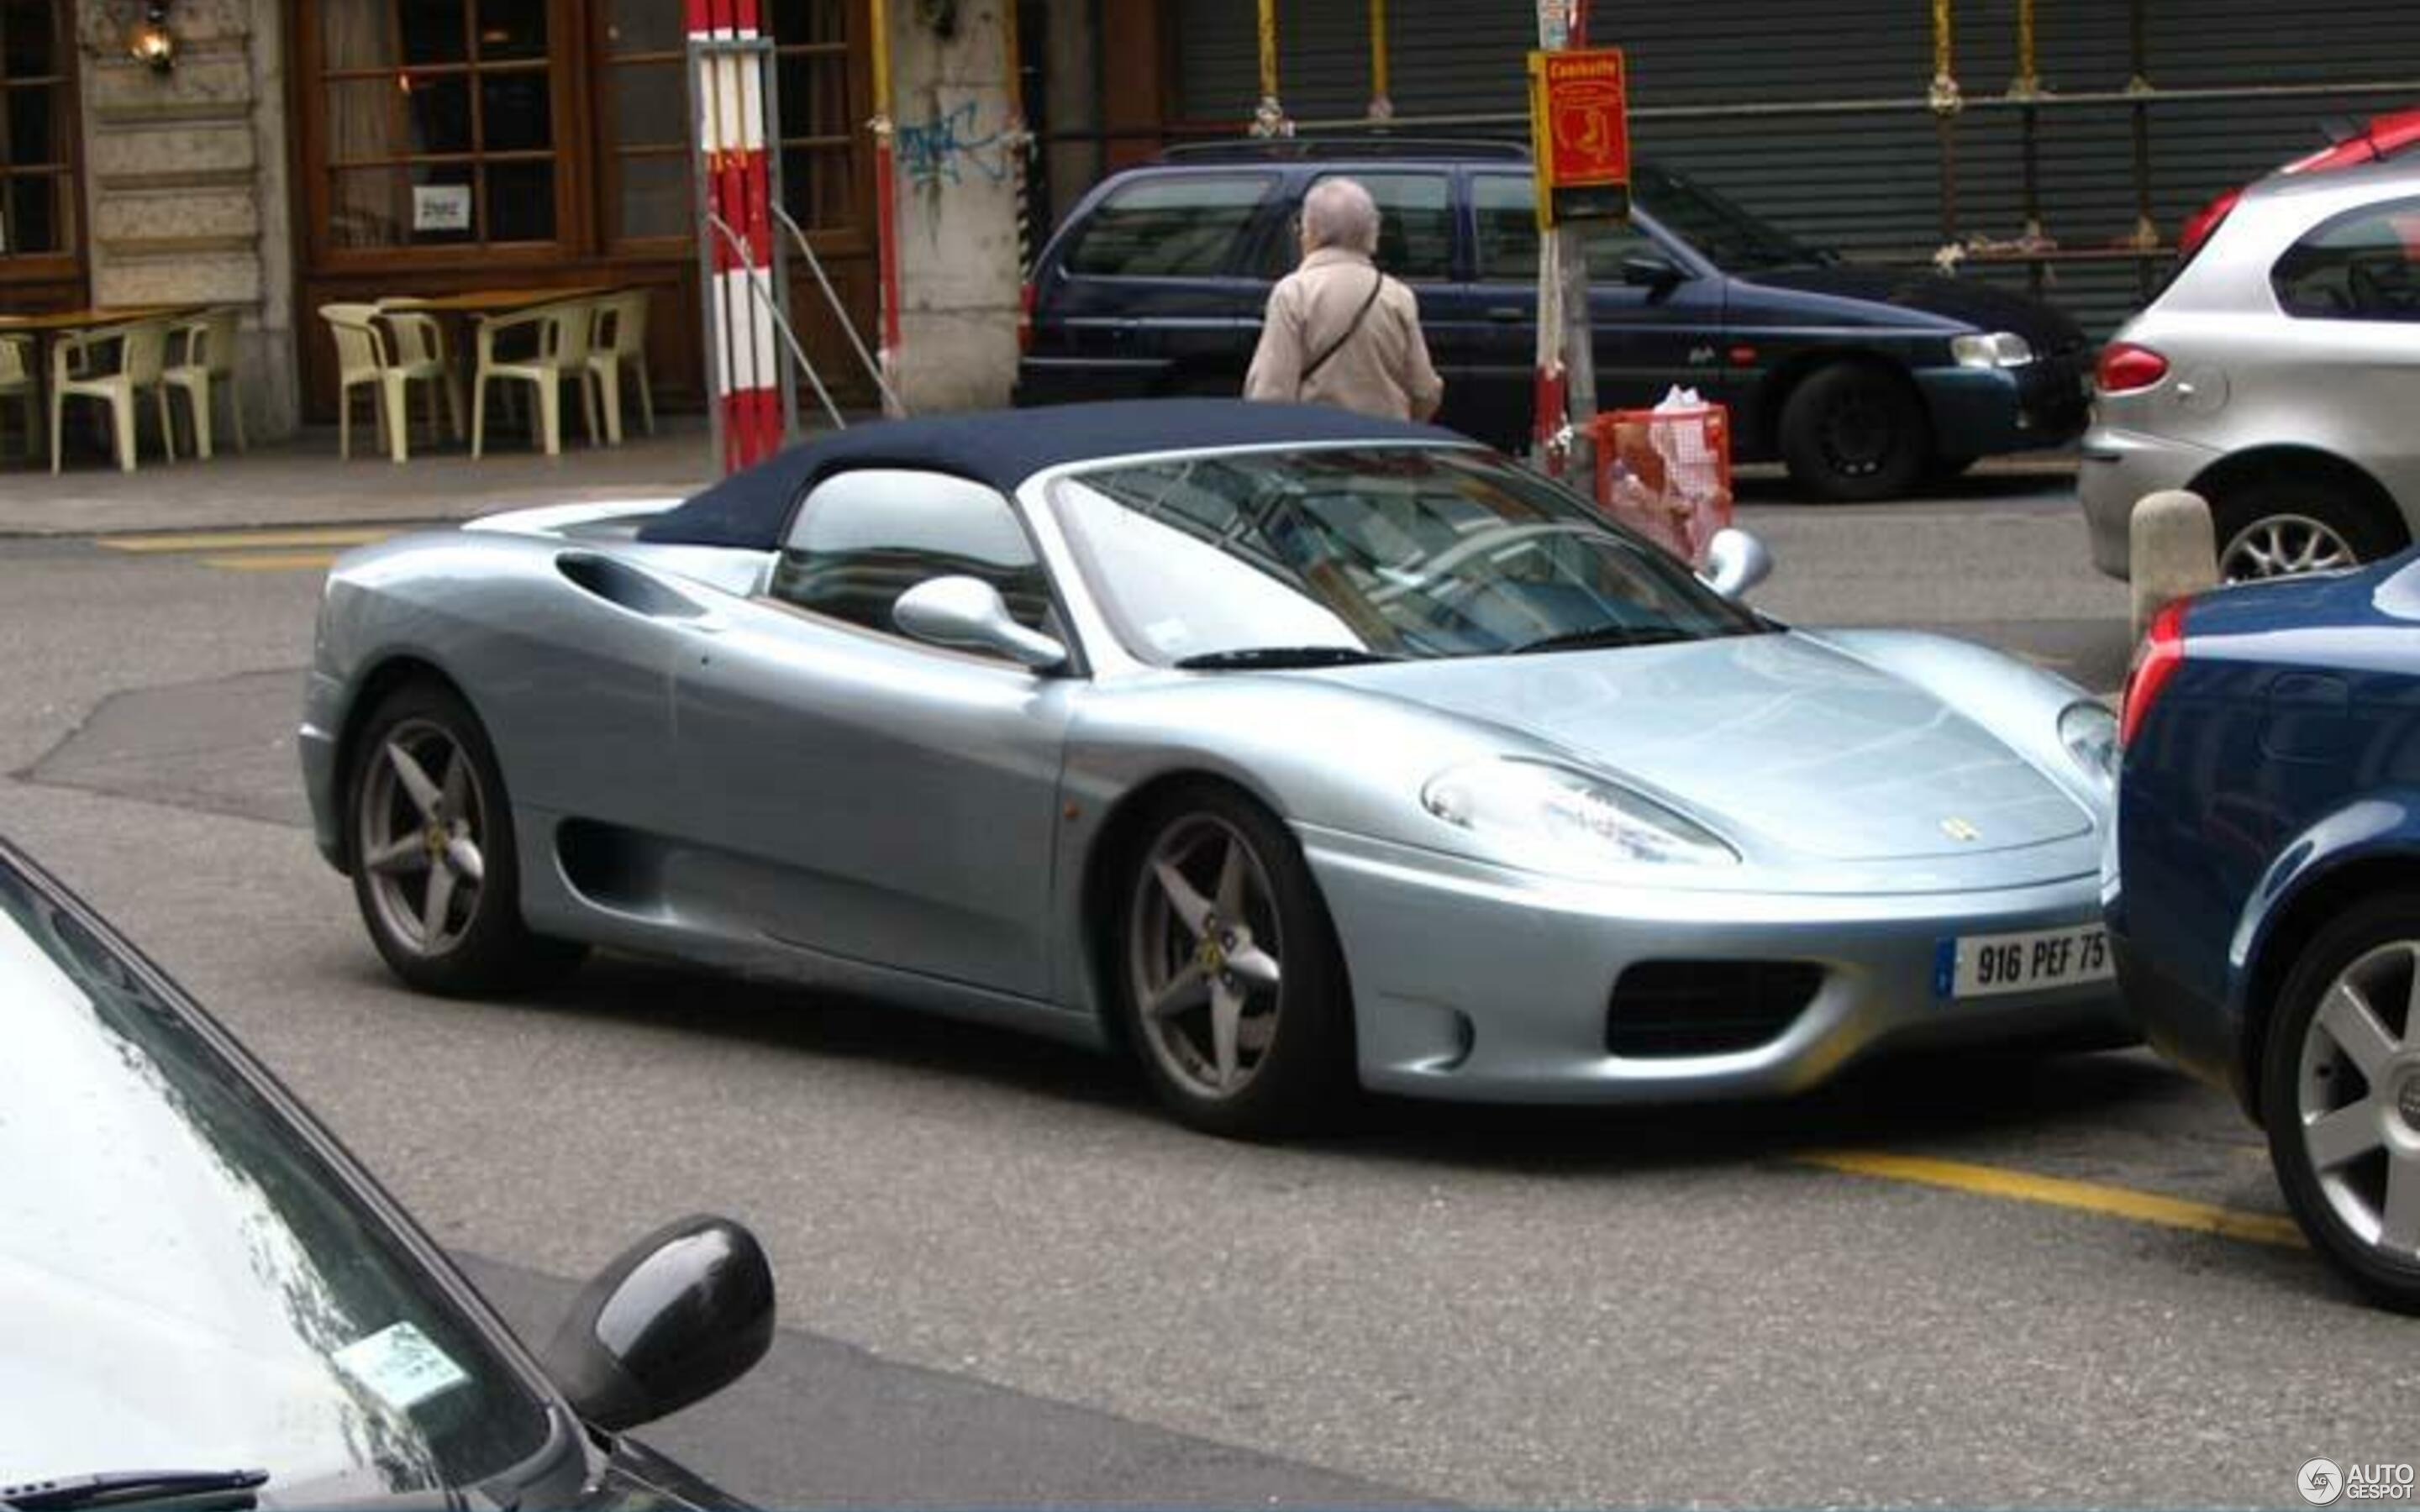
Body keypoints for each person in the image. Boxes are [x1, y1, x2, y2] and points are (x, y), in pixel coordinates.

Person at [1244, 177, 1444, 423]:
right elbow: (1424, 391)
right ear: (1371, 232)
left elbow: (1271, 392)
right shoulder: (1398, 296)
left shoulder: (1294, 293)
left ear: (1311, 231)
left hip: (1318, 446)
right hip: (1386, 449)